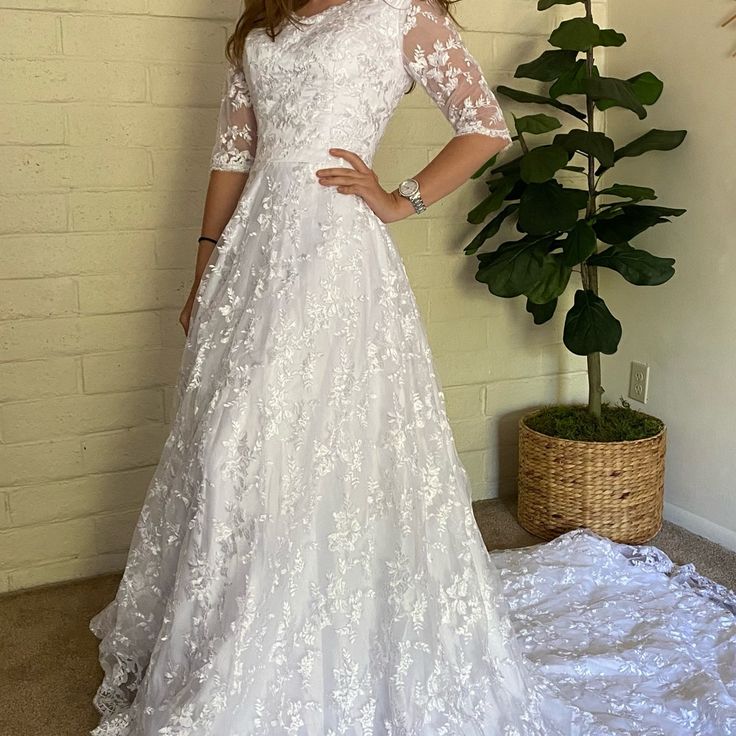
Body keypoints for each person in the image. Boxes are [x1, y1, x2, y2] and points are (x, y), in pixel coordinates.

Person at [88, 0, 563, 733]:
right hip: (252, 249)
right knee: (236, 447)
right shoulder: (263, 20)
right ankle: (233, 628)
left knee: (314, 439)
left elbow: (484, 124)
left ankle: (326, 632)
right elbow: (233, 154)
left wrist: (399, 198)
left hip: (334, 255)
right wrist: (203, 268)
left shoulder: (398, 12)